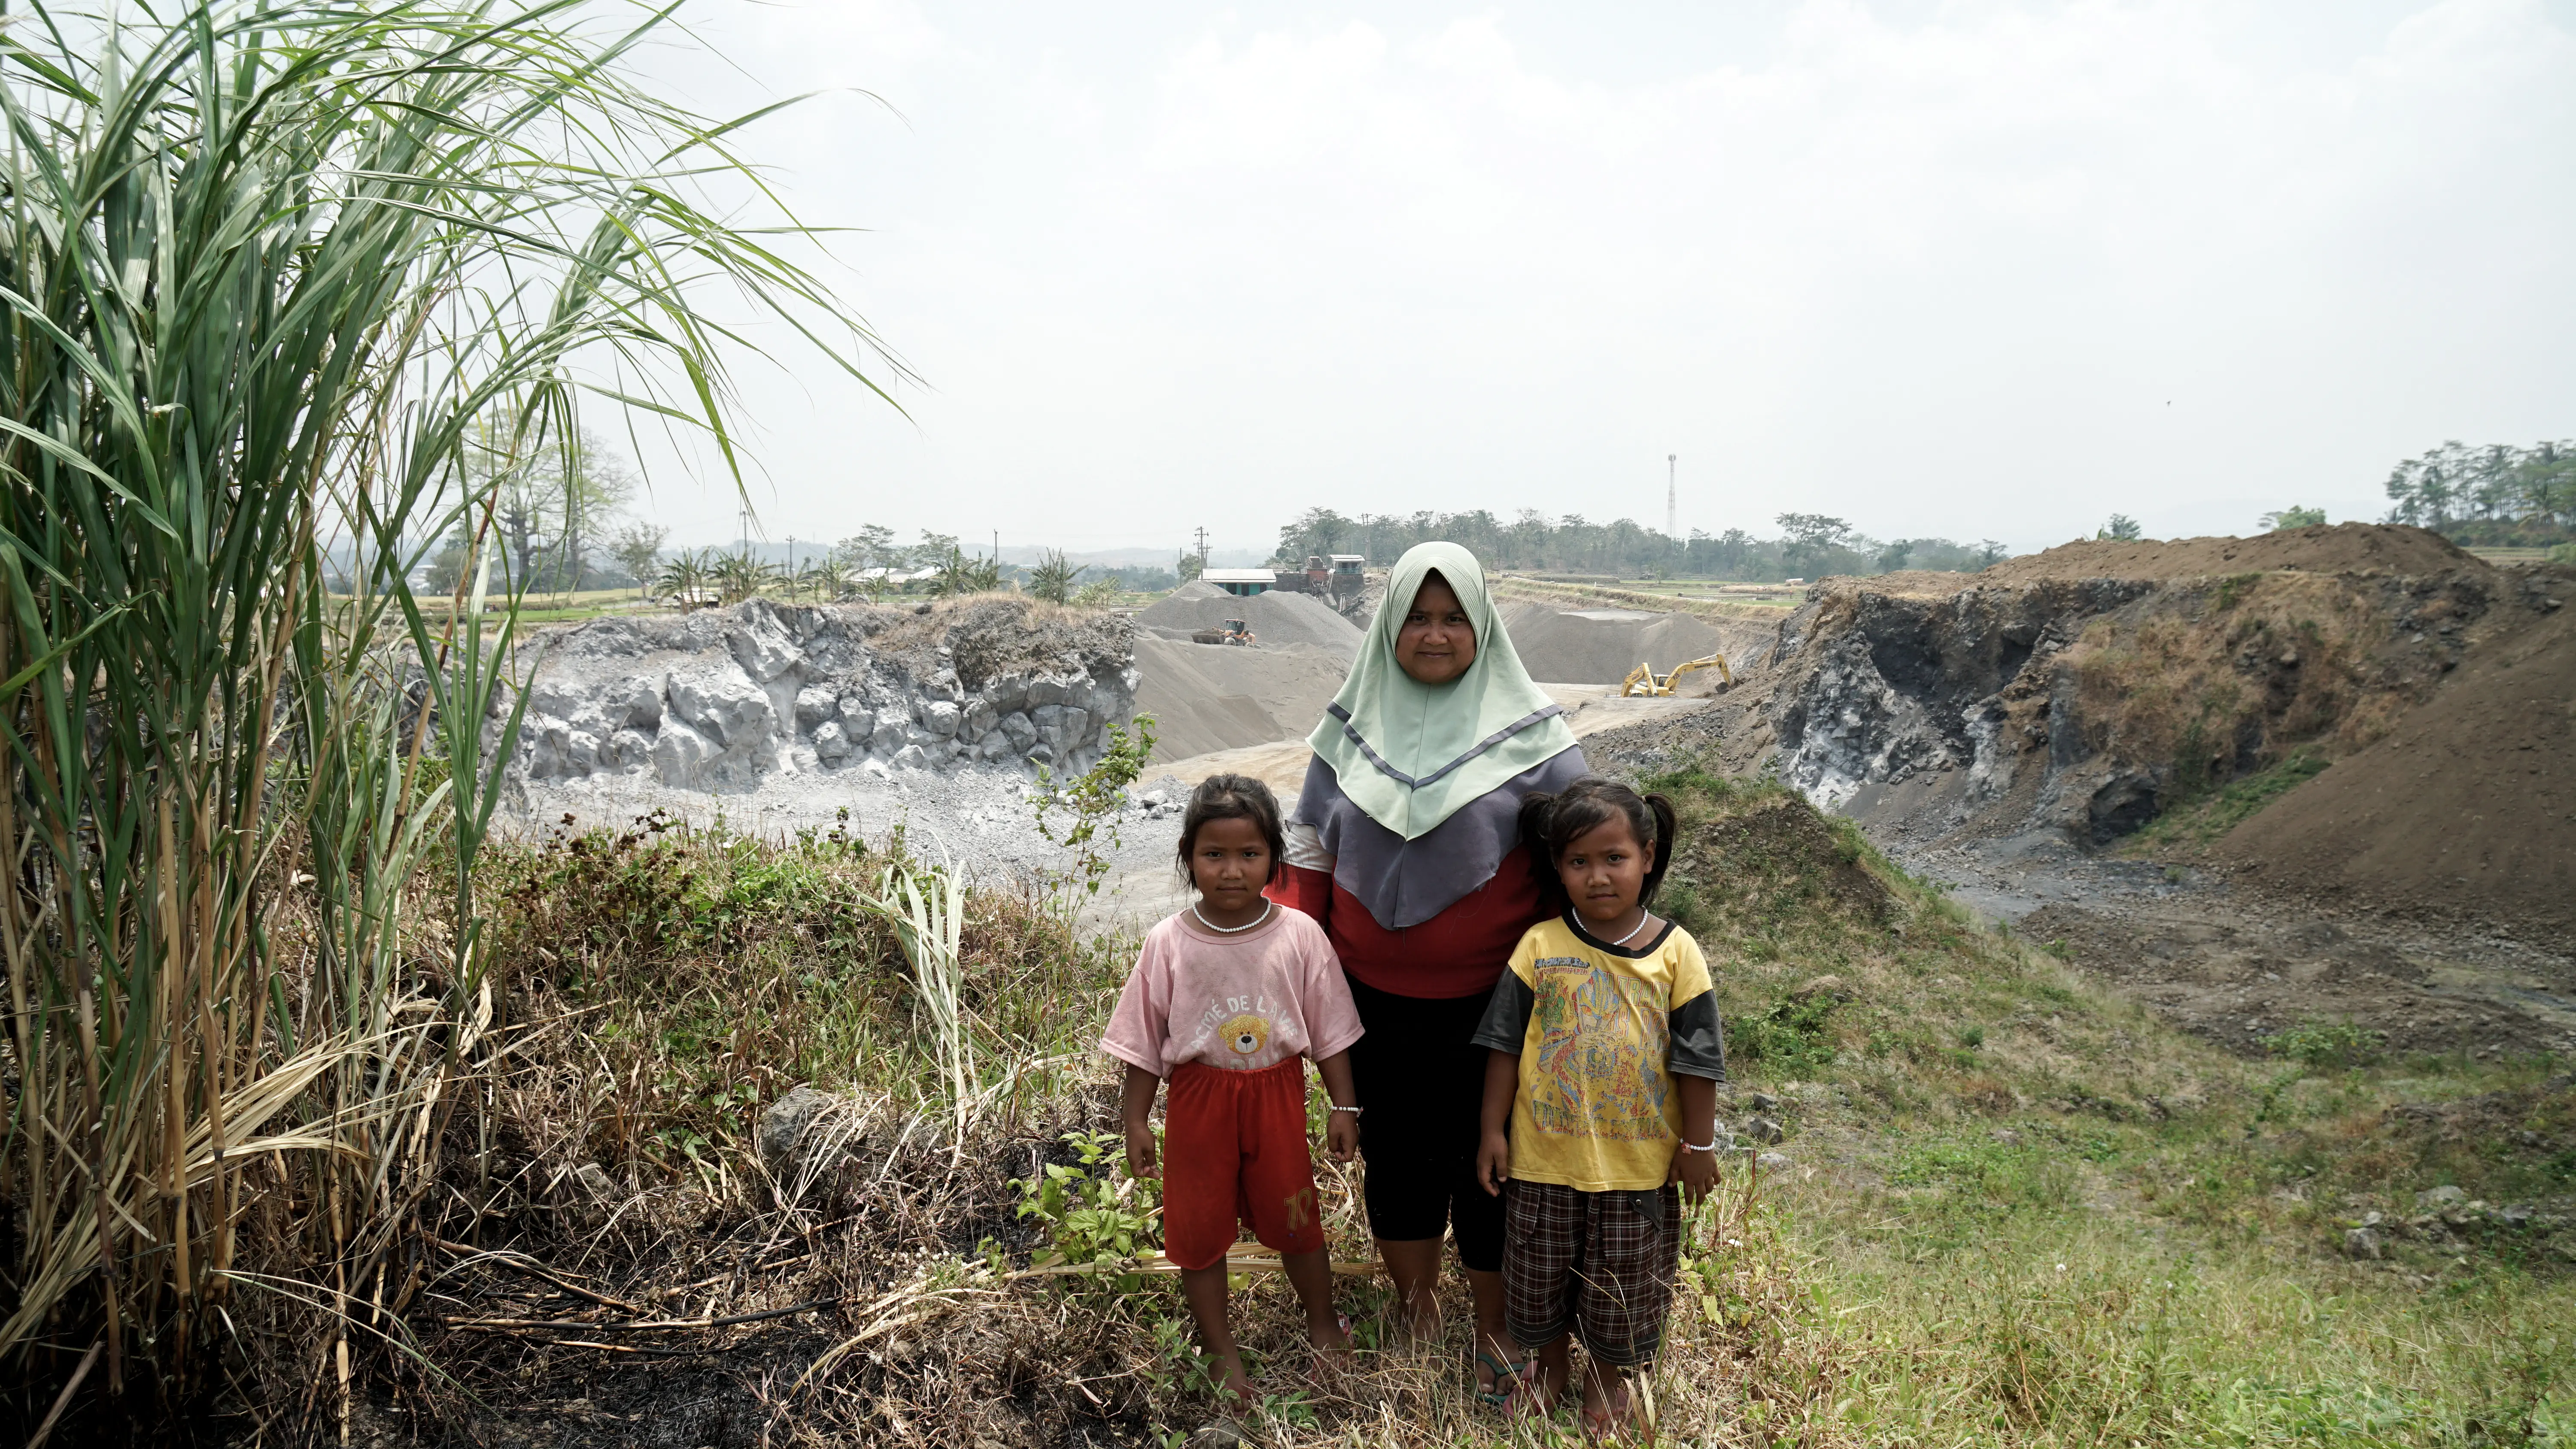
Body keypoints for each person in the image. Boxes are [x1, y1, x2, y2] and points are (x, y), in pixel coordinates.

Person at [1265, 541, 1587, 1402]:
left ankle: (1495, 1328)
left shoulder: (1537, 739)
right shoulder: (1349, 729)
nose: (1435, 634)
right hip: (1369, 1005)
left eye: (1454, 618)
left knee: (1494, 1171)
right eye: (1418, 617)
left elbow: (1585, 863)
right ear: (1388, 627)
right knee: (1398, 1162)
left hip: (1498, 1009)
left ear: (1483, 627)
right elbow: (1309, 855)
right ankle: (1417, 1307)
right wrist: (1294, 970)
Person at [1472, 776, 1725, 1437]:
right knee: (1535, 1279)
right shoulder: (1539, 947)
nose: (1598, 877)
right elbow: (1503, 1047)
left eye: (1614, 859)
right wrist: (1491, 1131)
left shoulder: (1677, 953)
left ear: (1647, 855)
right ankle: (1551, 1368)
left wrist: (1698, 1147)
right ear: (1558, 868)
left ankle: (1606, 1381)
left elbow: (1697, 1064)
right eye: (1579, 862)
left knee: (1625, 1291)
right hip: (1542, 1163)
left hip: (1637, 1173)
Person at [1103, 773, 1365, 1405]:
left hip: (1277, 1097)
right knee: (1198, 1231)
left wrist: (1344, 1105)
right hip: (1198, 1103)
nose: (1230, 871)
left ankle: (1323, 1324)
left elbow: (1330, 1031)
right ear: (1189, 859)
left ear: (1274, 858)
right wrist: (1136, 1120)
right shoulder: (1167, 942)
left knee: (1298, 1220)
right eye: (1213, 855)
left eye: (1249, 854)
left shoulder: (1300, 935)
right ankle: (1219, 1348)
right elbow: (1143, 1041)